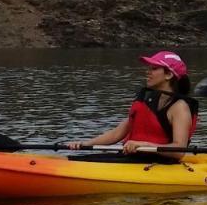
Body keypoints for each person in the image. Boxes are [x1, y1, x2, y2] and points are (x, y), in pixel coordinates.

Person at [66, 51, 198, 154]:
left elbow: (179, 150)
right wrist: (85, 144)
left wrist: (144, 145)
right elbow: (117, 133)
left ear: (169, 75)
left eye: (154, 68)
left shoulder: (180, 107)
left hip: (161, 164)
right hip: (135, 159)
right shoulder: (147, 101)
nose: (148, 72)